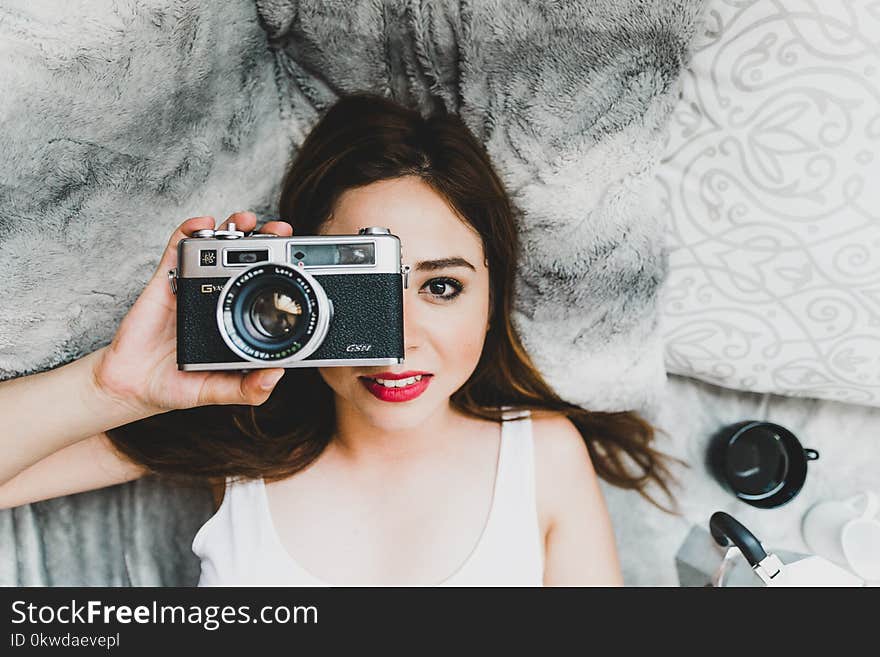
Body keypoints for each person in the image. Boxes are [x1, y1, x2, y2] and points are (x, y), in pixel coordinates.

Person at [0, 93, 676, 586]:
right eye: (362, 295)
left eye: (441, 287)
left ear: (494, 299)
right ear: (287, 285)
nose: (396, 342)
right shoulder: (242, 434)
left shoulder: (541, 454)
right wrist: (108, 389)